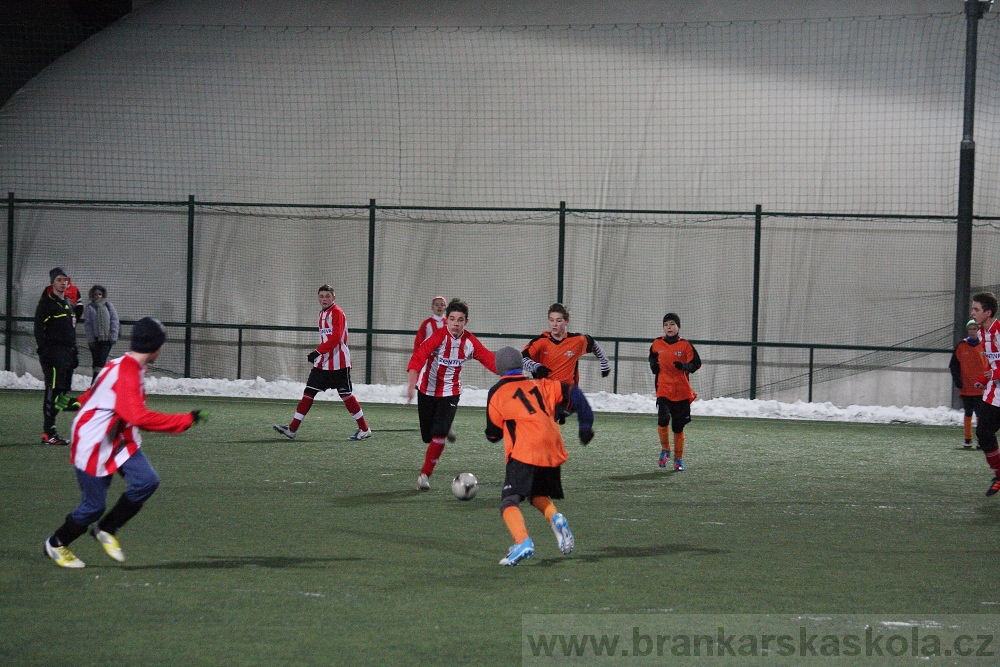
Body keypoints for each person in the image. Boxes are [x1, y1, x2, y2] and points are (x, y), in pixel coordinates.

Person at [43, 317, 206, 568]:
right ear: (155, 347)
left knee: (147, 481)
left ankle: (106, 529)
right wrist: (185, 420)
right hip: (93, 442)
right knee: (93, 507)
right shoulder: (127, 371)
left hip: (115, 436)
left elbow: (100, 389)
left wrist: (78, 401)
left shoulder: (124, 363)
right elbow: (138, 417)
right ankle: (56, 543)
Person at [486, 346, 595, 566]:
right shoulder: (541, 384)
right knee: (536, 494)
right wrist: (585, 425)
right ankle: (555, 518)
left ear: (499, 369)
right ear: (520, 366)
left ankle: (522, 541)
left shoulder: (497, 392)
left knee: (509, 500)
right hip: (552, 447)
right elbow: (574, 392)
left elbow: (493, 435)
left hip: (526, 449)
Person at [407, 298, 497, 490]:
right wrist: (411, 383)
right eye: (453, 319)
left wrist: (511, 371)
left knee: (438, 434)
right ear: (446, 320)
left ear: (466, 322)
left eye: (460, 320)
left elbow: (489, 359)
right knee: (427, 436)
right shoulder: (438, 337)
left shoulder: (470, 342)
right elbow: (419, 356)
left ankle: (424, 475)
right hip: (427, 389)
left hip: (451, 392)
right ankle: (444, 426)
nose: (456, 324)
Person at [273, 284, 372, 441]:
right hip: (323, 363)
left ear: (334, 298)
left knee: (346, 395)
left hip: (339, 363)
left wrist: (318, 351)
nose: (324, 299)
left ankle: (364, 429)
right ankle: (292, 429)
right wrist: (320, 354)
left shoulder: (337, 312)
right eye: (321, 296)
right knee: (308, 393)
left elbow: (336, 338)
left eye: (327, 296)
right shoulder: (321, 314)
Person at [648, 312, 701, 471]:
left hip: (681, 391)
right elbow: (652, 356)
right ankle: (665, 450)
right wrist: (653, 365)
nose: (669, 327)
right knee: (663, 418)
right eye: (666, 325)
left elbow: (696, 364)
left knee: (678, 427)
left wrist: (684, 366)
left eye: (672, 324)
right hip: (664, 388)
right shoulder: (657, 343)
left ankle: (679, 459)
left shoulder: (685, 345)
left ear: (678, 326)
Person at [34, 267, 80, 446]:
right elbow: (39, 330)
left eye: (65, 280)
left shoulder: (68, 303)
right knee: (52, 391)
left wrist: (73, 351)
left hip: (67, 355)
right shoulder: (46, 303)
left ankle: (52, 427)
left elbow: (71, 330)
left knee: (62, 392)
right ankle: (49, 432)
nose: (62, 283)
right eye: (59, 280)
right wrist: (45, 351)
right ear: (52, 282)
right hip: (53, 355)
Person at [521, 303, 611, 385]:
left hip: (568, 390)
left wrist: (604, 363)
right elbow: (522, 359)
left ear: (566, 321)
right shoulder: (540, 342)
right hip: (546, 391)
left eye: (558, 320)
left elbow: (593, 344)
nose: (554, 324)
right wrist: (537, 367)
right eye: (551, 320)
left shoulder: (577, 340)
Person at [968, 293, 1000, 496]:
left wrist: (994, 374)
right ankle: (999, 474)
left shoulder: (999, 331)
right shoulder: (982, 333)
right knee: (984, 433)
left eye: (976, 309)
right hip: (995, 393)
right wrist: (985, 377)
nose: (973, 313)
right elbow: (994, 362)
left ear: (987, 313)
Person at [414, 295, 456, 443]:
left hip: (446, 367)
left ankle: (446, 425)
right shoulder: (426, 325)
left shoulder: (450, 324)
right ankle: (436, 426)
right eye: (436, 304)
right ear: (432, 307)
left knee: (445, 395)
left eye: (441, 304)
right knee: (430, 397)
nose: (439, 307)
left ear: (445, 307)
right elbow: (418, 345)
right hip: (429, 369)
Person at [950, 318, 988, 449]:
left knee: (980, 414)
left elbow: (992, 364)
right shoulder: (961, 346)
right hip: (966, 387)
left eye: (975, 329)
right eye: (970, 329)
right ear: (967, 331)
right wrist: (958, 380)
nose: (972, 331)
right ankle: (967, 439)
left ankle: (980, 440)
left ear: (979, 330)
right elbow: (953, 365)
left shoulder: (985, 345)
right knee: (968, 412)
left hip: (981, 387)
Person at [83, 284, 120, 383]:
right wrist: (91, 340)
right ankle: (98, 382)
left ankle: (96, 382)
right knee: (96, 361)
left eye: (99, 294)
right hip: (95, 339)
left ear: (103, 295)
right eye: (96, 294)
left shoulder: (108, 305)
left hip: (107, 339)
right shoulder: (90, 308)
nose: (98, 296)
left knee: (101, 360)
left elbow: (114, 320)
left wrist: (113, 336)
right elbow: (88, 325)